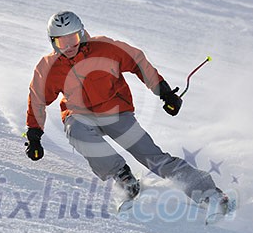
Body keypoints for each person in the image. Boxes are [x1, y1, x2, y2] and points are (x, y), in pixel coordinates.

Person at [25, 11, 228, 212]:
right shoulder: (49, 67)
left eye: (73, 38)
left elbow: (137, 61)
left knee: (153, 158)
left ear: (82, 33)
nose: (69, 46)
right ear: (52, 42)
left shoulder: (105, 48)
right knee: (76, 130)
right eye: (62, 42)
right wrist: (34, 135)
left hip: (116, 112)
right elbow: (37, 100)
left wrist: (164, 92)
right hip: (80, 117)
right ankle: (123, 177)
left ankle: (208, 193)